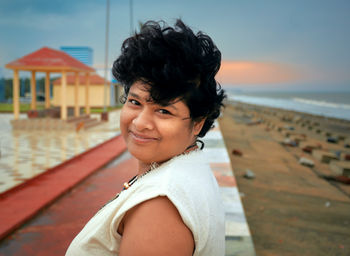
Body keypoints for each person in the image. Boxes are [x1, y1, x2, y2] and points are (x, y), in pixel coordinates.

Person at [66, 19, 226, 256]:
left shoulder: (159, 207)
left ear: (198, 123)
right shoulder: (188, 169)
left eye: (164, 110)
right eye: (135, 102)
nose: (140, 122)